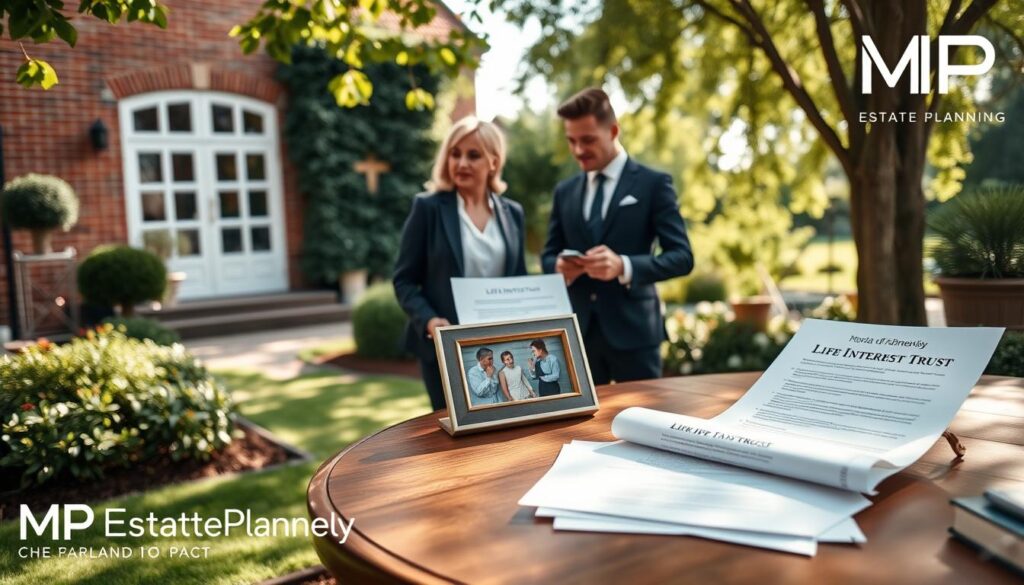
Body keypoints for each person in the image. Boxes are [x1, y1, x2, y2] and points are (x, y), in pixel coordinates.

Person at [542, 88, 694, 385]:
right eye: (571, 141)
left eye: (587, 140)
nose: (578, 151)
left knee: (642, 425)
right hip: (577, 333)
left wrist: (624, 266)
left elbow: (682, 257)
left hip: (636, 335)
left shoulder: (653, 184)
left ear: (613, 131)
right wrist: (558, 268)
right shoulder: (565, 192)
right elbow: (548, 255)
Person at [394, 116, 528, 411]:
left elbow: (518, 281)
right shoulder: (427, 209)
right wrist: (430, 321)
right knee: (455, 442)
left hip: (499, 346)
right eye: (455, 154)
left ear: (494, 161)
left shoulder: (513, 213)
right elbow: (404, 280)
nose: (461, 163)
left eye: (473, 155)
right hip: (445, 348)